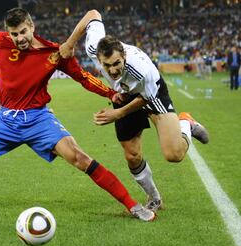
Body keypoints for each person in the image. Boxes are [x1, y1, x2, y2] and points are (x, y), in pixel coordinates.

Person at [0, 8, 156, 221]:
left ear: (31, 27)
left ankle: (132, 206)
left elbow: (83, 77)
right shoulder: (0, 40)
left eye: (23, 32)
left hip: (39, 120)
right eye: (14, 34)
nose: (19, 38)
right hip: (4, 121)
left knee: (81, 159)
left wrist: (110, 95)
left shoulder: (54, 53)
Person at [60, 10, 209, 211]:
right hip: (124, 95)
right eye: (106, 65)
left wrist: (118, 113)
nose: (112, 70)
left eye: (116, 64)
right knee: (132, 155)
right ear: (98, 58)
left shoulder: (140, 69)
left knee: (174, 154)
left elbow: (146, 98)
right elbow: (93, 14)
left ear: (124, 55)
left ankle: (186, 123)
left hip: (152, 95)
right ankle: (154, 197)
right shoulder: (94, 47)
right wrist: (70, 43)